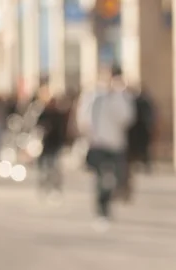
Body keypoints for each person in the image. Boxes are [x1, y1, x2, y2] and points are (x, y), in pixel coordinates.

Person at [80, 66, 135, 229]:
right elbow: (84, 119)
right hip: (98, 144)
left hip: (116, 144)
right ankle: (102, 210)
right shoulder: (93, 96)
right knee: (102, 179)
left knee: (116, 178)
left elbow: (127, 118)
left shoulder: (121, 96)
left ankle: (113, 199)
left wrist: (116, 97)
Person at [36, 95, 70, 202]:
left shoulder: (59, 115)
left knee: (55, 167)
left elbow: (63, 130)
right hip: (46, 145)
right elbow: (38, 127)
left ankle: (55, 187)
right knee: (45, 167)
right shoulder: (44, 114)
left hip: (55, 145)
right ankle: (45, 186)